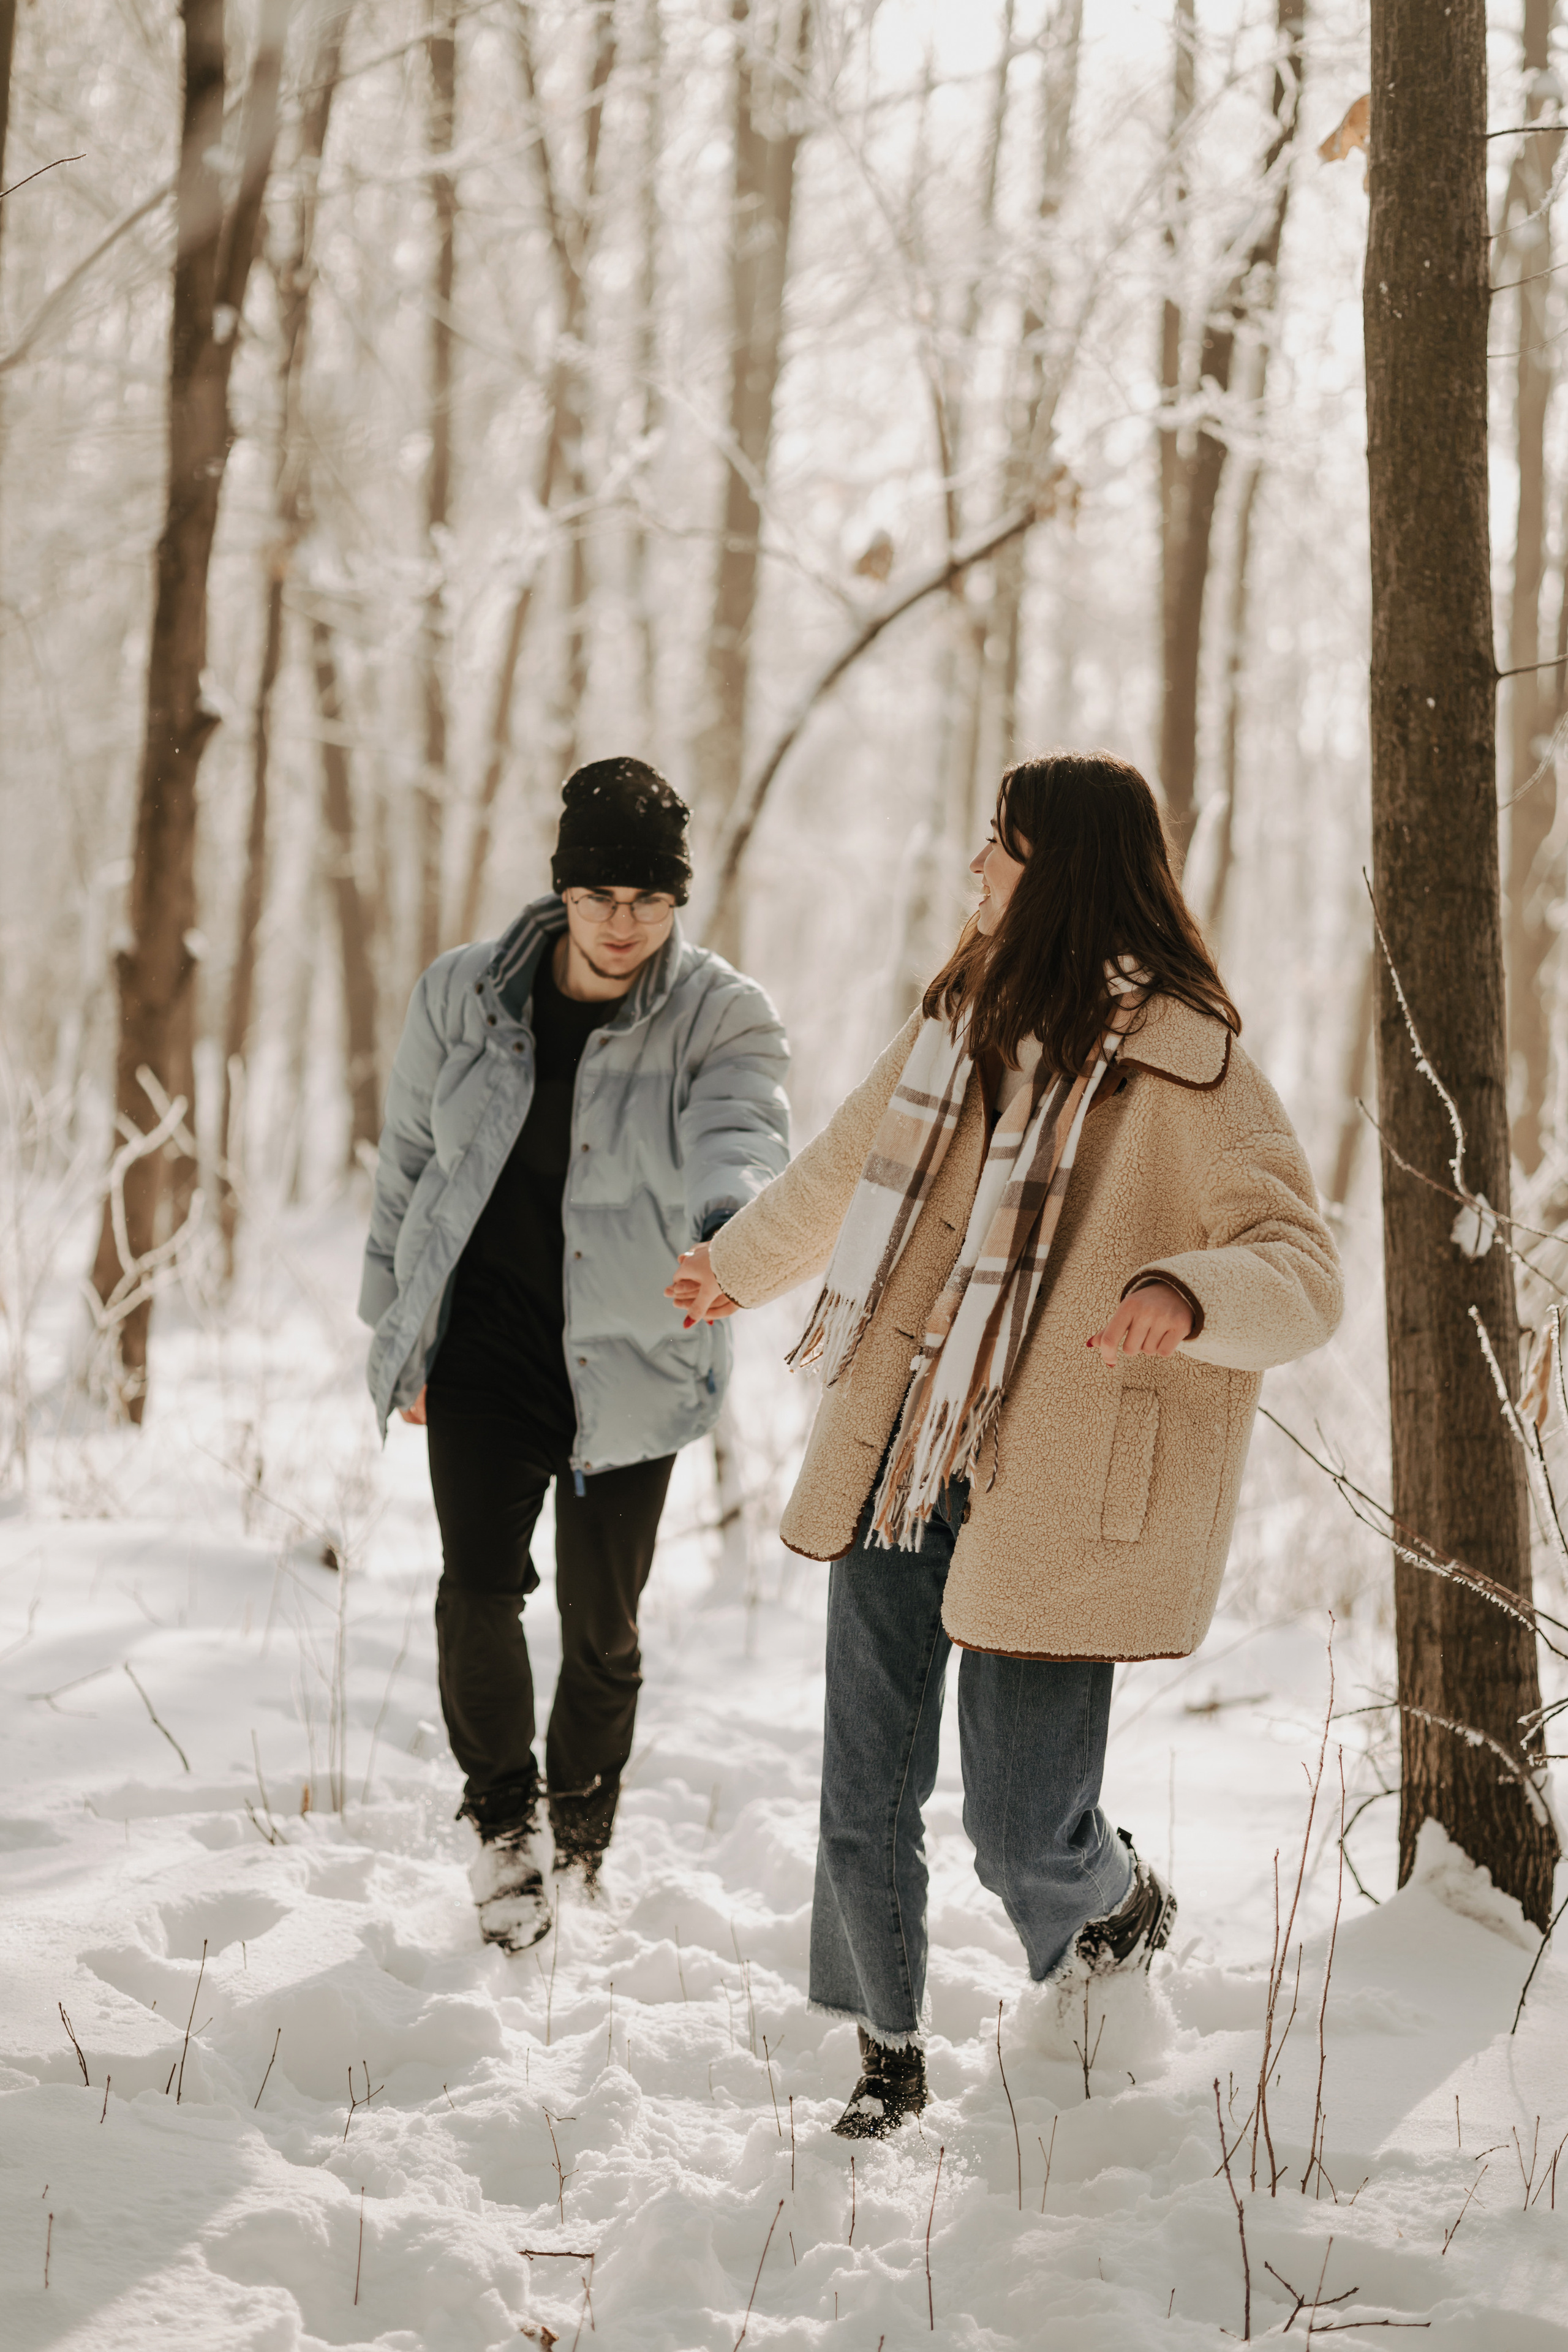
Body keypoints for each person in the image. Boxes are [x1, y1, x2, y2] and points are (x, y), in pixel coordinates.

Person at [668, 751, 1342, 2138]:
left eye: (1000, 844)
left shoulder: (1190, 1068)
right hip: (899, 1443)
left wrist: (1184, 1292)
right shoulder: (952, 1026)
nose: (975, 866)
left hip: (1054, 1474)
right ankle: (886, 2053)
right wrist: (735, 1267)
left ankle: (1114, 1904)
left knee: (1023, 1830)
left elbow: (1299, 1266)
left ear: (1061, 873)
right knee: (864, 1786)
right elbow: (849, 1162)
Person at [361, 758, 789, 1951]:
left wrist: (728, 1230)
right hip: (488, 1346)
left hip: (638, 1356)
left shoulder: (719, 1013)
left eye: (649, 901)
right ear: (561, 891)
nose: (622, 925)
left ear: (675, 904)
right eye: (599, 895)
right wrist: (395, 1328)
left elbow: (740, 1126)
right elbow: (406, 1163)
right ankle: (504, 1832)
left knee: (604, 1628)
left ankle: (580, 1832)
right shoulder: (464, 996)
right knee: (477, 1589)